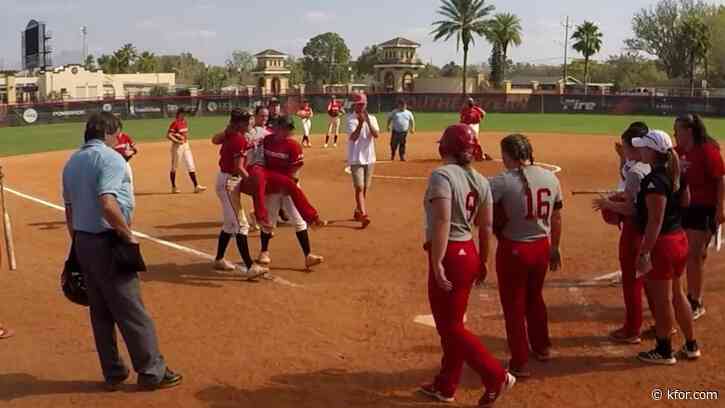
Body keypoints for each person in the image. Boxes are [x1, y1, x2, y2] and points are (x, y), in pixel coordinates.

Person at [62, 112, 182, 391]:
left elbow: (69, 210)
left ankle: (113, 372)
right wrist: (127, 236)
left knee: (101, 312)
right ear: (108, 132)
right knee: (131, 309)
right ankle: (153, 371)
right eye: (117, 133)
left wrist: (78, 245)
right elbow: (107, 202)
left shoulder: (72, 162)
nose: (118, 138)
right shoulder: (110, 159)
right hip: (109, 241)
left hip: (83, 240)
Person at [419, 124, 515, 407]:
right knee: (453, 323)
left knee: (449, 327)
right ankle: (446, 384)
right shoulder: (482, 180)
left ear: (444, 147)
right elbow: (485, 227)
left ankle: (496, 375)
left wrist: (437, 260)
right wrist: (483, 260)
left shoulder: (441, 175)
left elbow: (441, 221)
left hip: (449, 252)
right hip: (469, 251)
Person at [489, 133, 563, 378]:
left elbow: (482, 205)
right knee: (535, 299)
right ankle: (542, 347)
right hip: (542, 246)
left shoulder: (502, 181)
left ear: (508, 155)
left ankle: (519, 361)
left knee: (513, 306)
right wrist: (555, 247)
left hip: (514, 250)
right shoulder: (550, 177)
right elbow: (556, 216)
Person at [628, 129, 699, 365]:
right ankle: (691, 345)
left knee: (663, 300)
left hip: (663, 245)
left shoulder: (654, 181)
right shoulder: (676, 173)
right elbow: (686, 201)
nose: (639, 150)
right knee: (678, 294)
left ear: (652, 151)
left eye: (643, 147)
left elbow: (654, 220)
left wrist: (645, 251)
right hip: (678, 238)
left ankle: (664, 349)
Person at [594, 123, 655, 344]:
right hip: (654, 229)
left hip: (634, 230)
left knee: (632, 282)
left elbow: (632, 208)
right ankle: (661, 324)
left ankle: (632, 329)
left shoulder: (636, 172)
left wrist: (607, 203)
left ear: (634, 147)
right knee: (652, 281)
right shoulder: (654, 166)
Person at [674, 113, 725, 320]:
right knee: (687, 255)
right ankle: (688, 296)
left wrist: (720, 208)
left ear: (689, 131)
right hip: (683, 207)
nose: (674, 134)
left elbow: (721, 179)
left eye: (677, 131)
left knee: (695, 255)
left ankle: (696, 300)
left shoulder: (706, 150)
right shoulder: (677, 151)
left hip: (703, 207)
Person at [256, 116, 324, 270]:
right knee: (269, 220)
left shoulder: (293, 146)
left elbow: (294, 170)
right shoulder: (267, 141)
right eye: (284, 128)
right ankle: (264, 252)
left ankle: (308, 256)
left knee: (298, 220)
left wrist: (286, 185)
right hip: (271, 186)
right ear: (277, 128)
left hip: (289, 186)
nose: (287, 131)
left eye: (289, 129)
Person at [210, 109, 269, 279]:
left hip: (227, 180)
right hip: (229, 182)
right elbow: (238, 168)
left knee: (229, 224)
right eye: (247, 121)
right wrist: (251, 180)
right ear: (239, 123)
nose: (251, 123)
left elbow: (215, 139)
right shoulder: (238, 139)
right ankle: (251, 267)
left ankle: (219, 259)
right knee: (241, 225)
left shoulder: (232, 135)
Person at [345, 92, 378, 228]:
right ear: (355, 105)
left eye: (363, 104)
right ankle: (364, 215)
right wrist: (360, 124)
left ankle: (358, 210)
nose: (361, 106)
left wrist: (368, 122)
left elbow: (376, 134)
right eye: (358, 104)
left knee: (365, 188)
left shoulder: (372, 118)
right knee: (359, 187)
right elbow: (353, 137)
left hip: (369, 158)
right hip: (355, 159)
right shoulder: (350, 119)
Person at [167, 108, 206, 194]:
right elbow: (168, 135)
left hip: (186, 146)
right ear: (179, 113)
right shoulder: (175, 123)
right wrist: (177, 140)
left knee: (190, 164)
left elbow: (183, 134)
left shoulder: (184, 122)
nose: (185, 115)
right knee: (174, 167)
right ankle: (174, 187)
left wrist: (182, 138)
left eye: (186, 114)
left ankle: (196, 186)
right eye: (184, 113)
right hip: (177, 147)